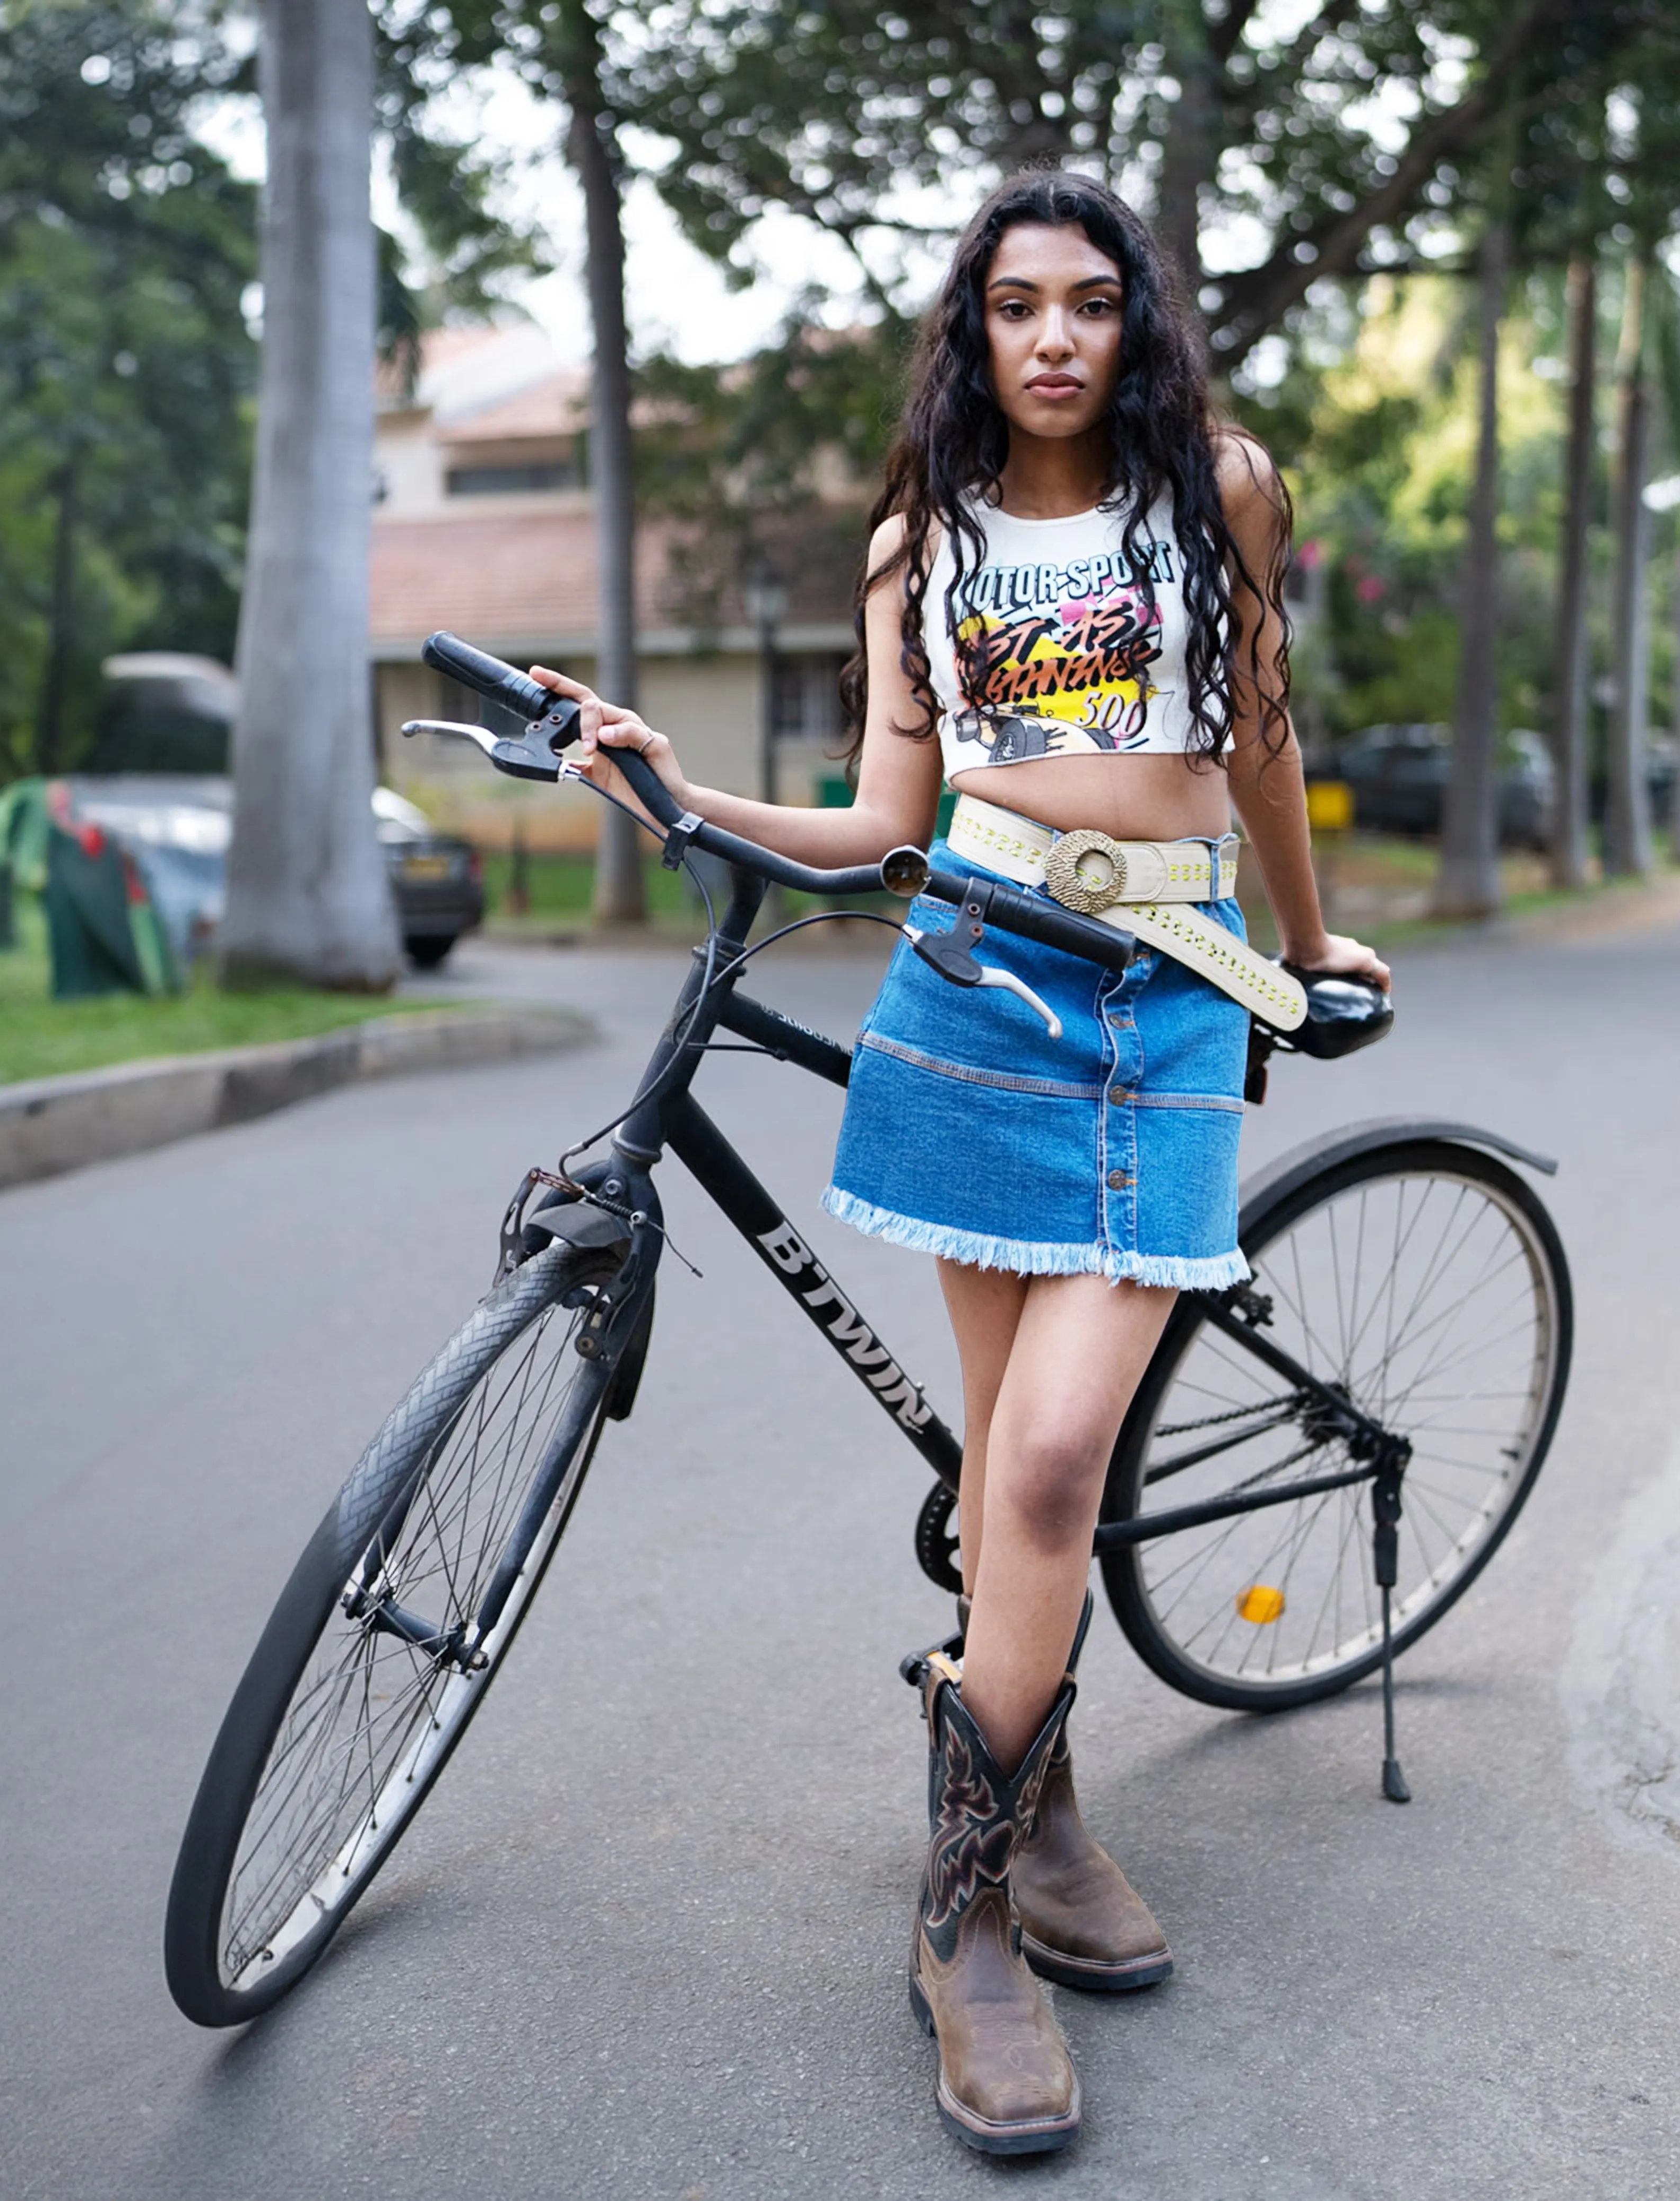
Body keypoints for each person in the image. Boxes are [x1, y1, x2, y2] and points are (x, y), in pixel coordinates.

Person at [535, 169, 1389, 2156]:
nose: (1059, 339)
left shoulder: (1224, 495)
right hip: (971, 989)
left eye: (1093, 303)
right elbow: (875, 822)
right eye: (1019, 307)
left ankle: (958, 1908)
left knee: (1058, 1458)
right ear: (977, 330)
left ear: (1140, 322)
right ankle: (1032, 1830)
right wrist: (669, 775)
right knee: (1018, 1479)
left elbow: (1257, 734)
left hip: (1169, 996)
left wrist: (1309, 935)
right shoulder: (920, 536)